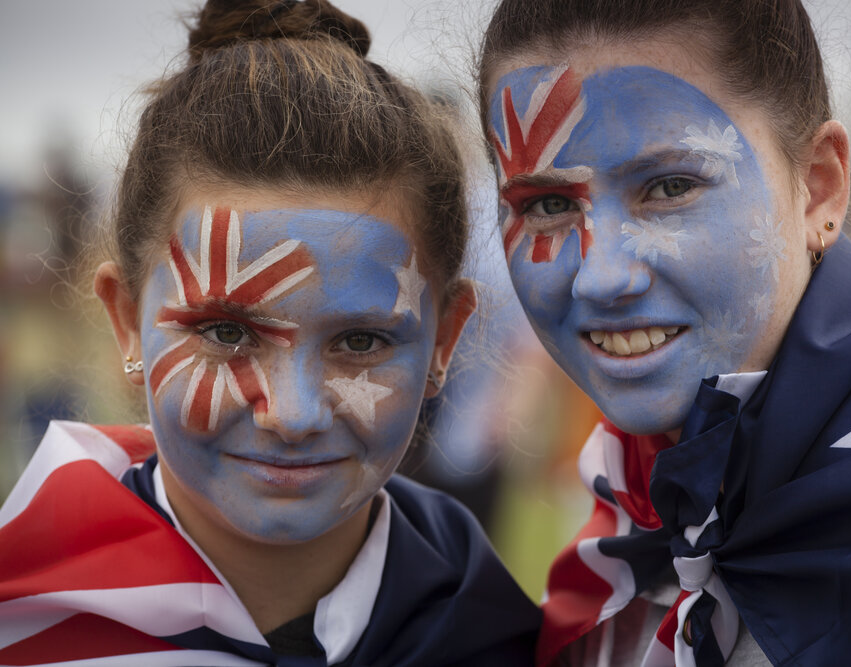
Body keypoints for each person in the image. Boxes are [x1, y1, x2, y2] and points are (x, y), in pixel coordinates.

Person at [0, 1, 541, 664]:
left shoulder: (508, 641)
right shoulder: (22, 618)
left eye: (362, 341)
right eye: (227, 332)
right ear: (126, 320)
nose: (294, 413)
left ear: (444, 340)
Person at [476, 0, 851, 665]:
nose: (601, 278)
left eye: (669, 186)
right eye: (546, 204)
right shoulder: (629, 524)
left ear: (817, 189)